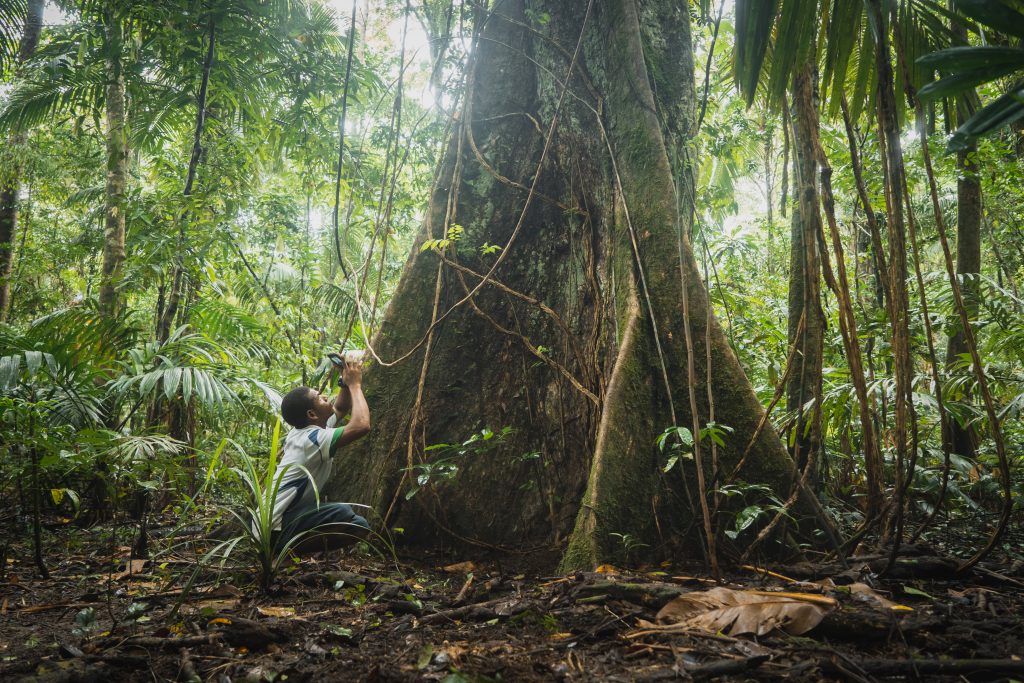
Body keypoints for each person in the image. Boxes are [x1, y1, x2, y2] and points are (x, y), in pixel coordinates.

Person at [271, 354, 371, 555]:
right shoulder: (313, 439)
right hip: (277, 524)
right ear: (311, 414)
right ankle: (284, 551)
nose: (325, 397)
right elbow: (361, 425)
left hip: (274, 521)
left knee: (357, 523)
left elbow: (341, 408)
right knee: (344, 514)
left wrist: (344, 381)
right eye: (319, 397)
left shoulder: (308, 431)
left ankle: (286, 551)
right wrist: (355, 385)